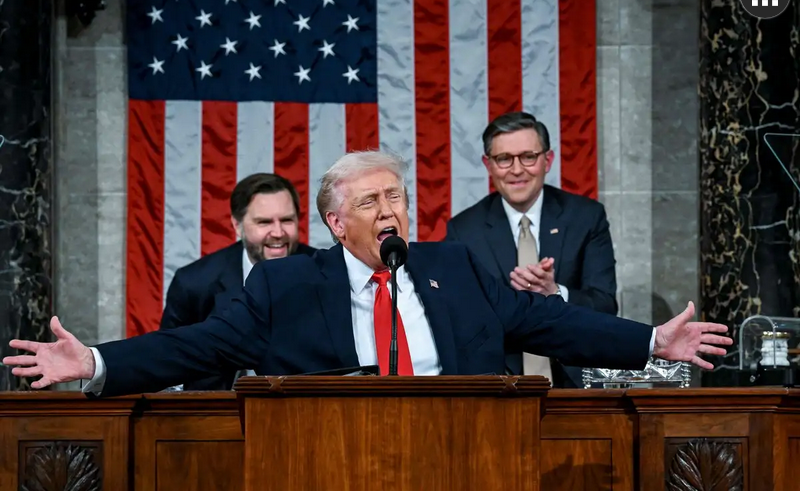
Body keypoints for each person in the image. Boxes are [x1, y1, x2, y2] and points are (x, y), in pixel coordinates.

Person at [3, 151, 731, 398]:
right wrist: (96, 360)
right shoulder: (286, 287)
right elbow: (192, 346)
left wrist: (648, 342)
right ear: (335, 222)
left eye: (398, 197)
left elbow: (548, 321)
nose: (391, 210)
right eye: (372, 201)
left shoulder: (456, 265)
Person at [447, 112, 617, 387]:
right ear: (488, 164)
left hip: (576, 382)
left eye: (528, 156)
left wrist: (555, 294)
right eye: (504, 159)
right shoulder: (464, 230)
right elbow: (458, 319)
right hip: (498, 384)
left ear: (547, 160)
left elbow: (606, 304)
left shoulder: (585, 218)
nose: (516, 170)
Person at [160, 173, 316, 390]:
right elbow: (169, 360)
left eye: (287, 220)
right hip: (217, 412)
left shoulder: (324, 273)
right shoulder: (194, 283)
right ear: (237, 225)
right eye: (264, 222)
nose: (278, 233)